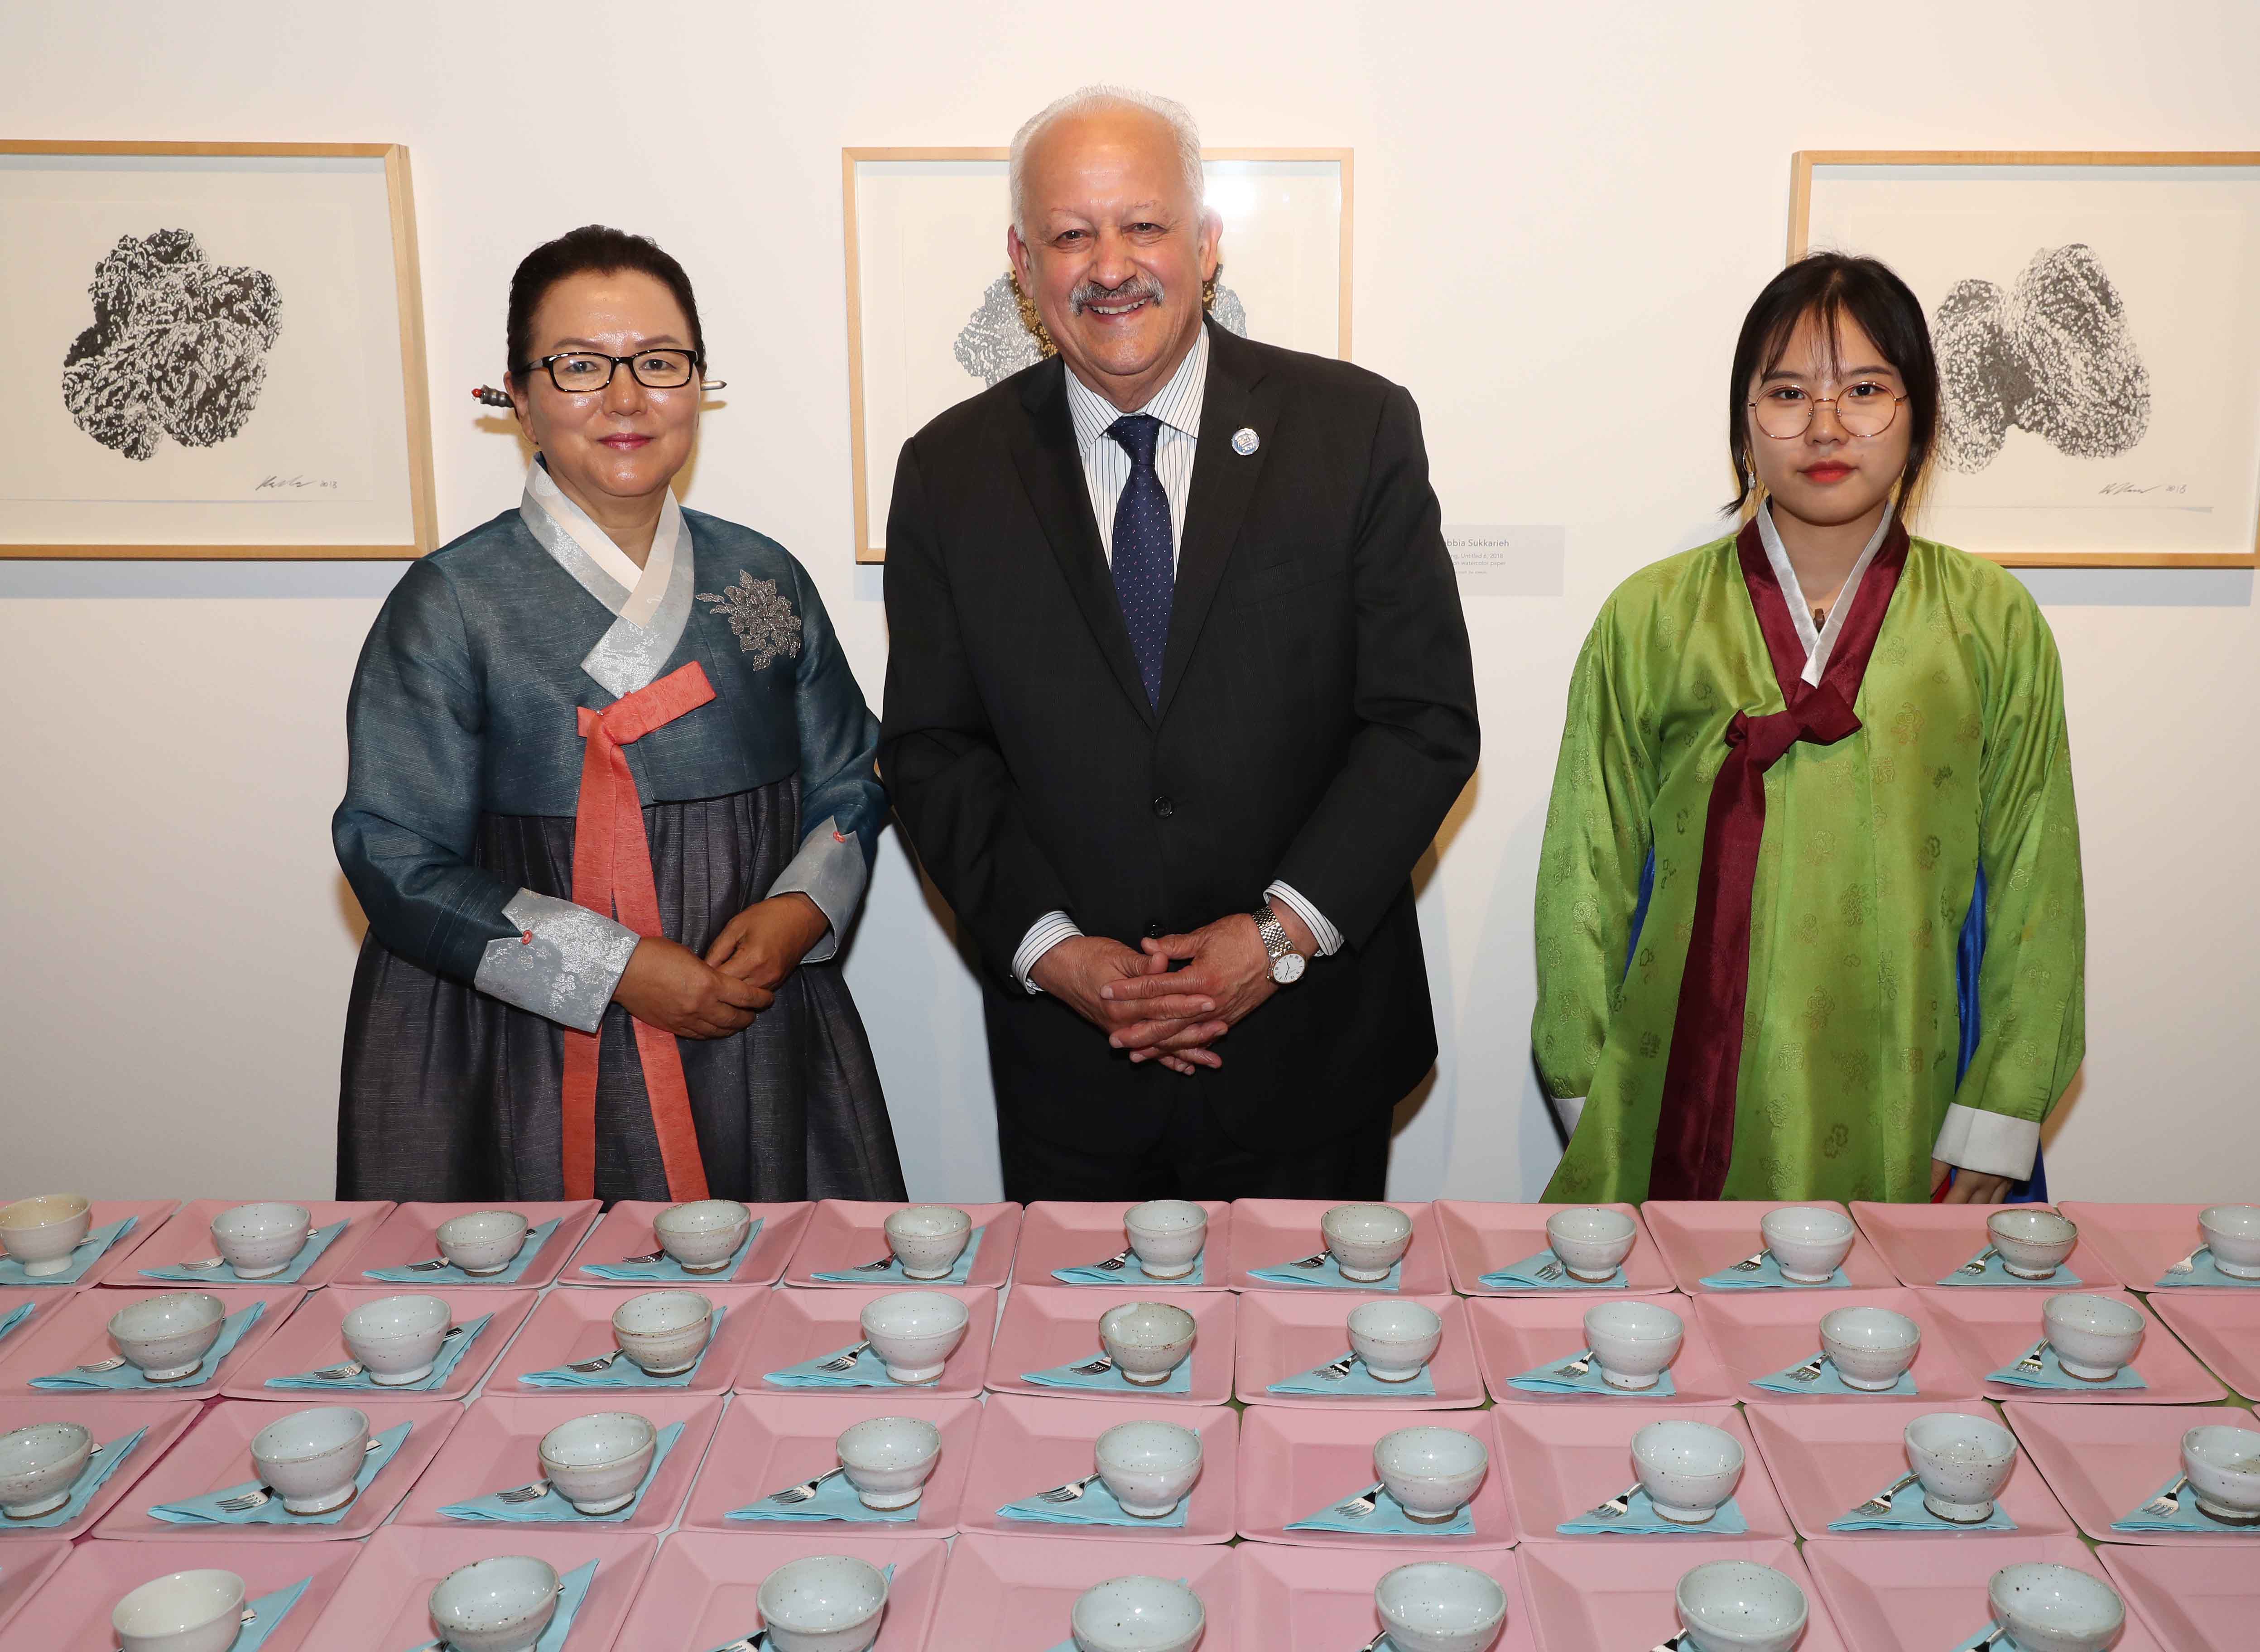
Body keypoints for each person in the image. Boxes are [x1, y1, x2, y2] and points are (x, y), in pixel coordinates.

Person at [881, 86, 1478, 1202]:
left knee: (1320, 1370)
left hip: (1310, 1052)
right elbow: (931, 751)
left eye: (1144, 226)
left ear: (1205, 245)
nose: (1111, 265)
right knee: (1075, 1373)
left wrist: (1278, 937)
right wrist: (1053, 949)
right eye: (1072, 234)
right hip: (1076, 1069)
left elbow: (1421, 722)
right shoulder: (948, 472)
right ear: (1023, 261)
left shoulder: (1355, 431)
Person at [333, 225, 904, 1204]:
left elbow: (852, 775)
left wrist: (797, 911)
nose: (628, 398)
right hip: (525, 1030)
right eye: (582, 367)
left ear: (699, 383)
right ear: (517, 396)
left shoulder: (764, 577)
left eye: (659, 362)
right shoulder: (452, 601)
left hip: (747, 1008)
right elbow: (392, 853)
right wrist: (613, 967)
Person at [1534, 252, 2084, 1205]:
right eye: (1788, 392)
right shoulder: (1652, 617)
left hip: (1920, 1092)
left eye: (1865, 389)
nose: (1826, 426)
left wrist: (2001, 1112)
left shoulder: (1991, 621)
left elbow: (2039, 879)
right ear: (1746, 422)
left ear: (1920, 417)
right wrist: (1596, 1090)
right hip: (1676, 1092)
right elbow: (1586, 872)